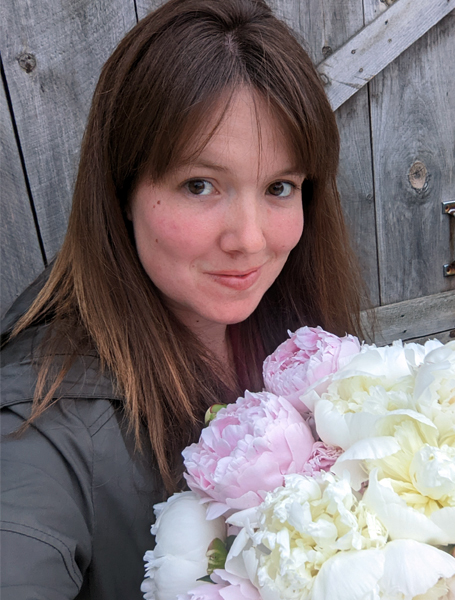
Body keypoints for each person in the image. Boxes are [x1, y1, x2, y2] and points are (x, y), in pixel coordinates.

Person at [0, 0, 366, 598]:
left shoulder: (298, 342)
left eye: (280, 187)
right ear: (122, 190)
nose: (249, 241)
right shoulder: (37, 429)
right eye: (200, 185)